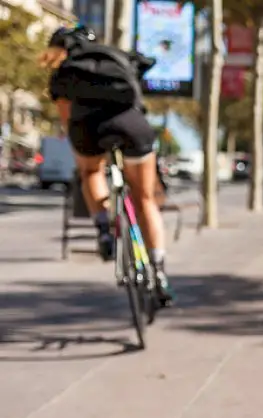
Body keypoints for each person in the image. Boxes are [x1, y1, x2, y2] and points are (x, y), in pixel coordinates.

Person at [42, 24, 175, 306]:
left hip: (87, 127)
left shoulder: (65, 70)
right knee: (145, 200)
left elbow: (66, 117)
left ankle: (103, 229)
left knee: (90, 171)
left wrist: (77, 139)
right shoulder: (115, 56)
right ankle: (159, 271)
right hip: (130, 123)